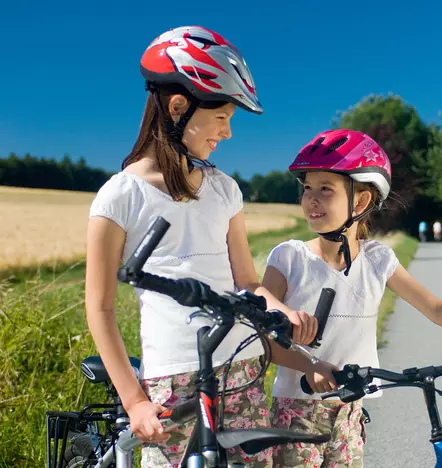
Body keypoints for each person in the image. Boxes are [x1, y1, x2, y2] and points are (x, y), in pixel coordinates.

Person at [85, 26, 317, 468]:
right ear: (179, 107)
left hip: (241, 367)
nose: (227, 133)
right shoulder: (119, 197)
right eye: (222, 117)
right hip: (173, 383)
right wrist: (134, 402)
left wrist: (281, 310)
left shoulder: (224, 190)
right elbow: (100, 309)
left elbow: (247, 281)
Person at [262, 129, 442, 468]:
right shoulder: (288, 259)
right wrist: (310, 366)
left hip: (350, 413)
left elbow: (436, 308)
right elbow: (263, 339)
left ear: (360, 202)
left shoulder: (378, 260)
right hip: (296, 411)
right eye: (307, 188)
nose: (311, 199)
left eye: (325, 189)